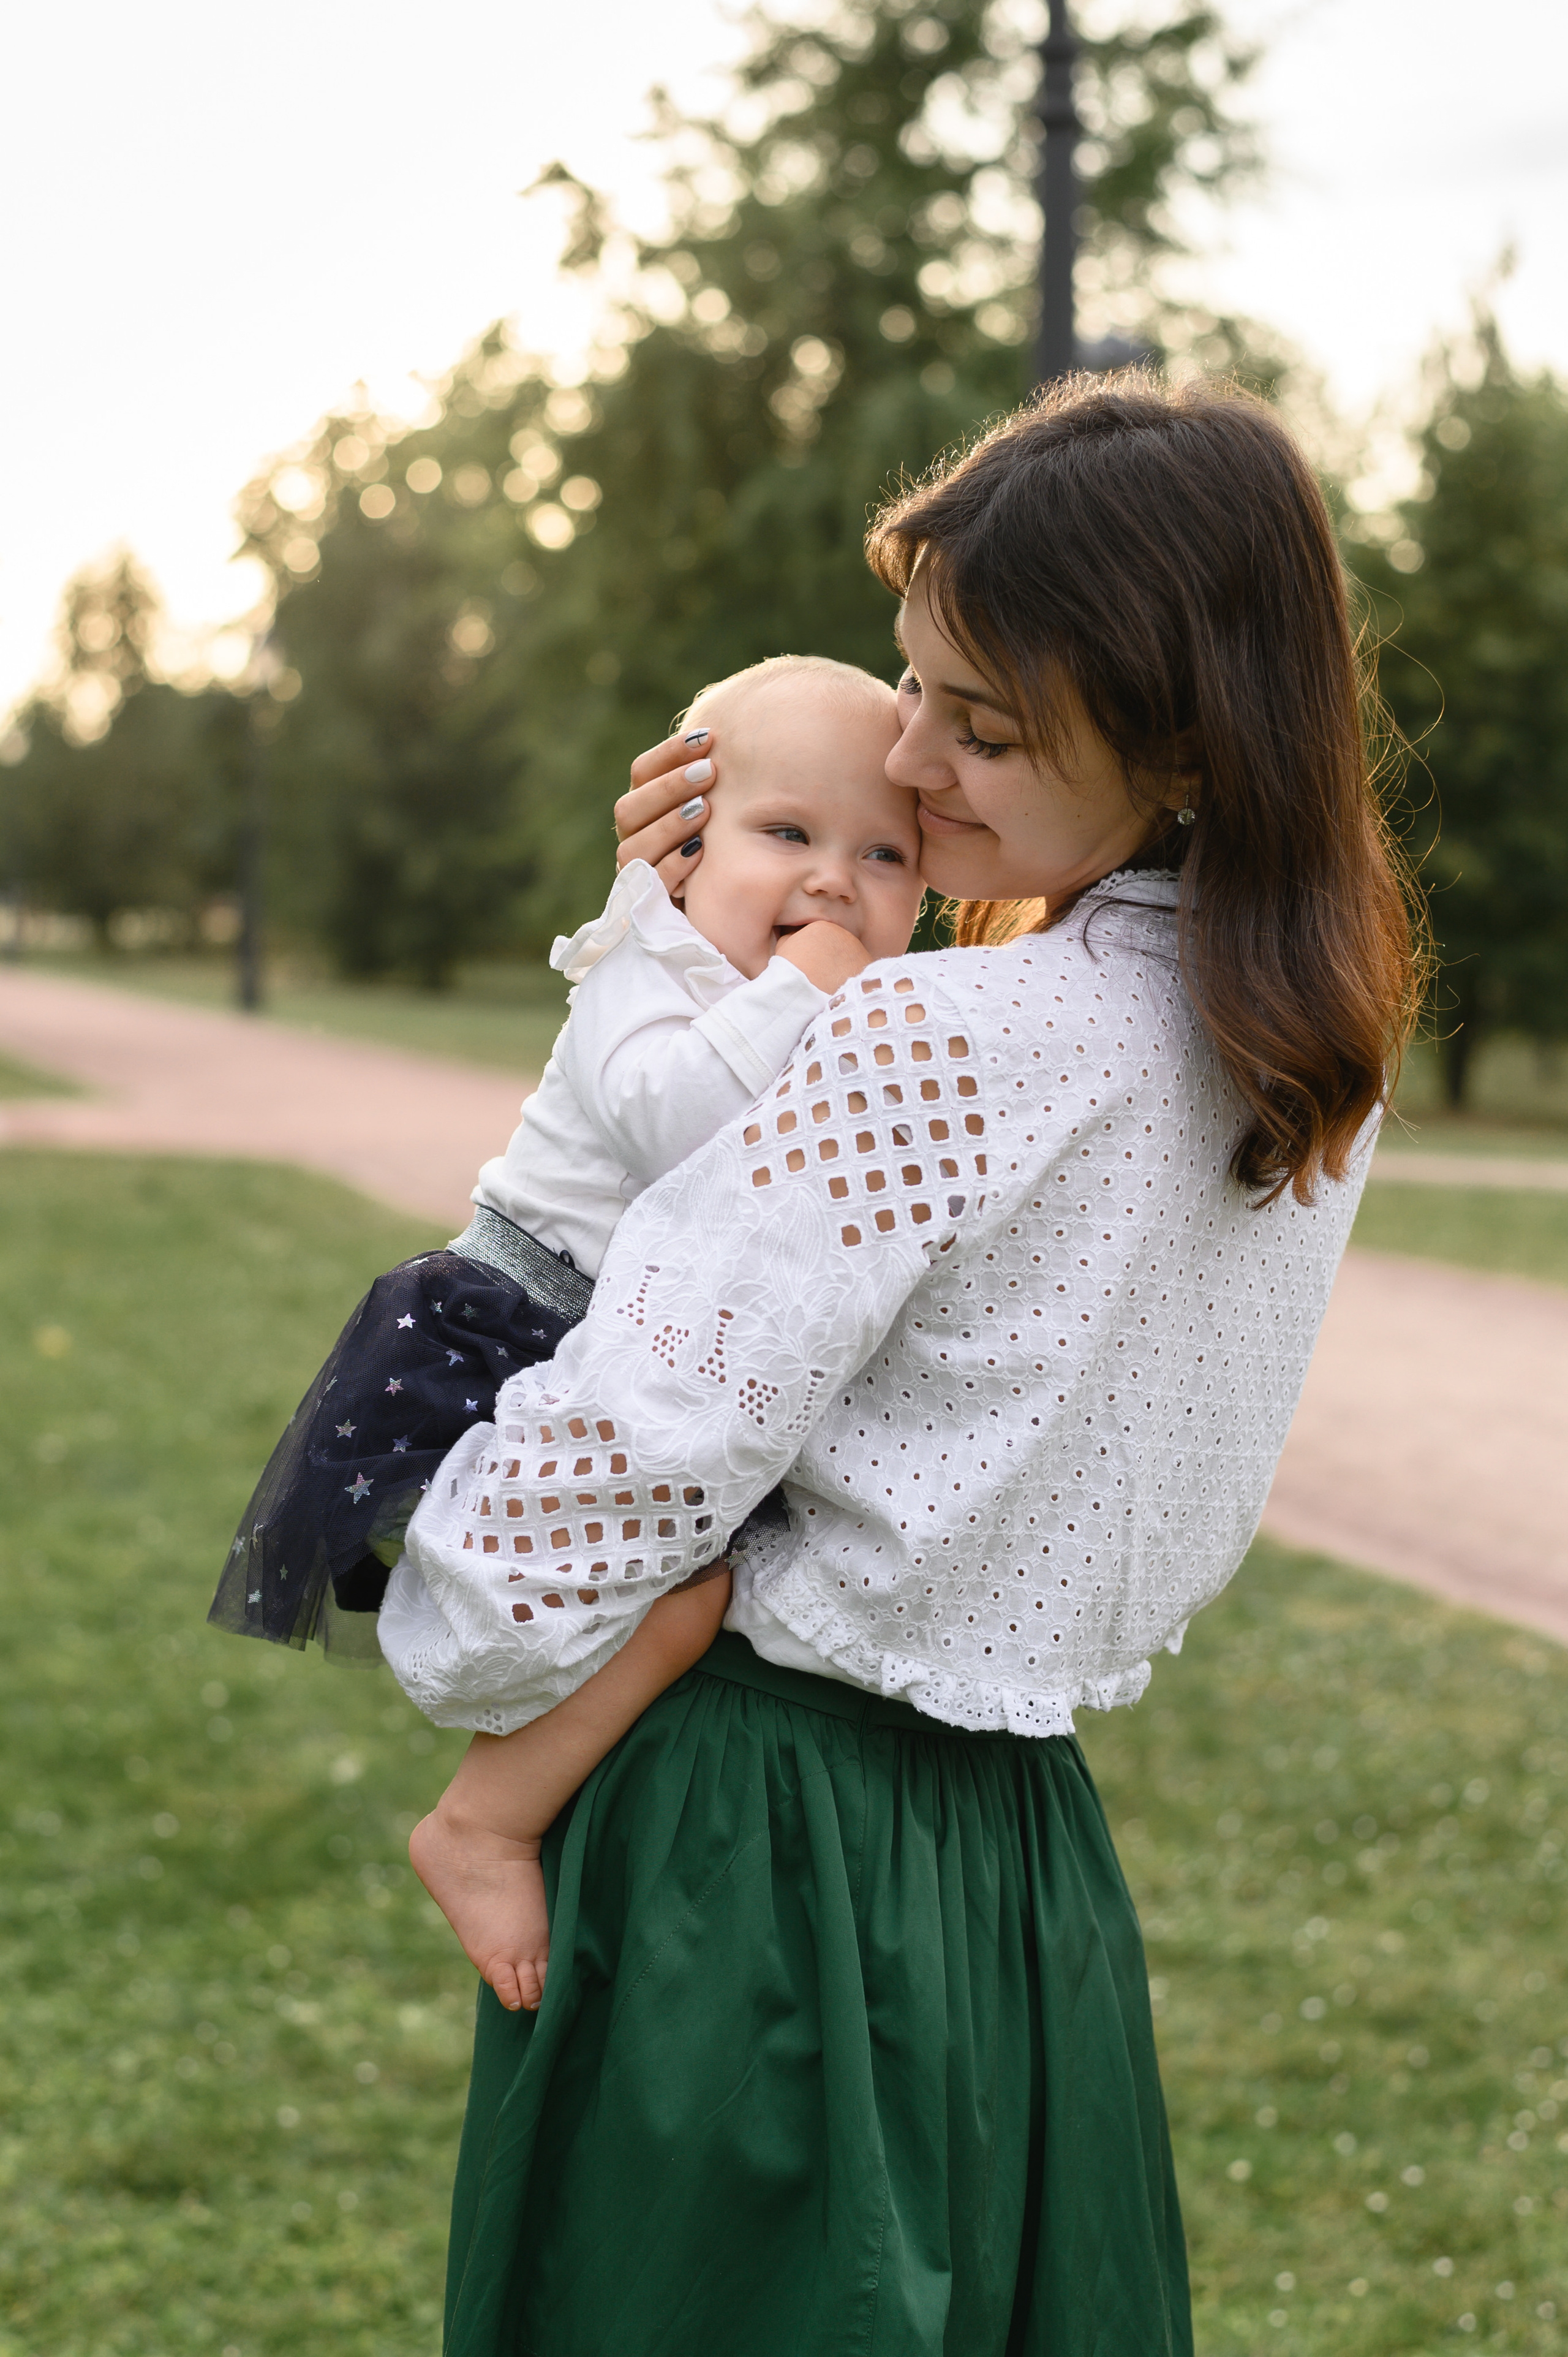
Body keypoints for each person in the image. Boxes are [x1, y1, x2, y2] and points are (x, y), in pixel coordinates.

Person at [392, 373, 1419, 2357]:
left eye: (987, 722)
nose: (909, 748)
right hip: (1025, 1868)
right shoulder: (1308, 1063)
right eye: (909, 684)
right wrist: (769, 885)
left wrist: (671, 953)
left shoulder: (940, 1044)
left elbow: (625, 1446)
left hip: (758, 1851)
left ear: (1188, 736)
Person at [208, 653, 925, 2001]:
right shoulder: (636, 961)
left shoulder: (838, 1012)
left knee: (702, 1601)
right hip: (512, 1327)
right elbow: (681, 1128)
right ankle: (483, 1821)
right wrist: (807, 988)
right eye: (788, 835)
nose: (833, 882)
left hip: (634, 1346)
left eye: (883, 855)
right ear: (679, 848)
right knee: (672, 1604)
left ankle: (524, 1815)